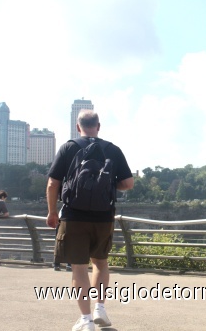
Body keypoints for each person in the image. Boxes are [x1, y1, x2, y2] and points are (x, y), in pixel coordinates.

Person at [46, 109, 134, 331]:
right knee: (100, 263)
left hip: (73, 216)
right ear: (99, 126)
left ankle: (85, 320)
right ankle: (100, 309)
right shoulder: (112, 150)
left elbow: (52, 183)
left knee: (78, 268)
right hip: (104, 217)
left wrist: (52, 212)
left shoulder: (69, 147)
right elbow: (128, 183)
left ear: (78, 127)